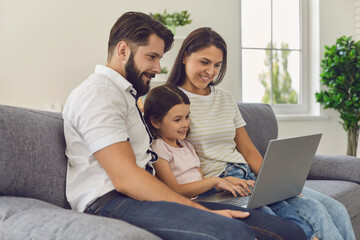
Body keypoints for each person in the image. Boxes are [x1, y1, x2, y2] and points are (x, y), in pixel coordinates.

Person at [62, 11, 307, 240]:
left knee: (289, 231)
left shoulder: (125, 95)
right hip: (111, 203)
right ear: (123, 50)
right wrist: (197, 210)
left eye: (159, 58)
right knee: (233, 232)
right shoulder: (98, 93)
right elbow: (125, 178)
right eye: (152, 57)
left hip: (142, 198)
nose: (158, 68)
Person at [166, 27, 356, 240]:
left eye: (217, 65)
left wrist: (276, 183)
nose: (210, 71)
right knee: (313, 213)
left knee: (335, 209)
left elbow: (247, 149)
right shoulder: (172, 101)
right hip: (222, 183)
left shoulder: (225, 98)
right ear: (184, 57)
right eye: (204, 62)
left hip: (251, 176)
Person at [144, 84, 317, 240]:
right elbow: (175, 191)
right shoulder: (159, 149)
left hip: (210, 193)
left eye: (187, 117)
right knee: (261, 212)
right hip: (193, 202)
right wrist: (217, 181)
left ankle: (309, 236)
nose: (185, 124)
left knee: (273, 204)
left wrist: (225, 183)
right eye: (177, 119)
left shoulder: (187, 145)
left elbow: (200, 177)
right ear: (155, 121)